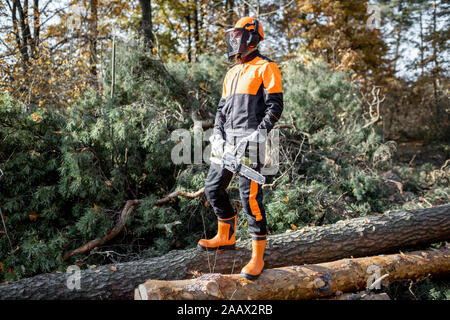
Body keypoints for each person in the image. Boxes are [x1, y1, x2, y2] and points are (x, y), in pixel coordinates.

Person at [197, 17, 283, 280]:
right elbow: (222, 110)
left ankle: (257, 256)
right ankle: (226, 235)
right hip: (227, 141)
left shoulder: (266, 68)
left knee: (250, 199)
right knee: (213, 188)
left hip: (251, 140)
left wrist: (258, 135)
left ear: (251, 38)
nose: (234, 42)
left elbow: (275, 106)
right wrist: (218, 135)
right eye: (231, 37)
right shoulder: (232, 72)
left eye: (238, 37)